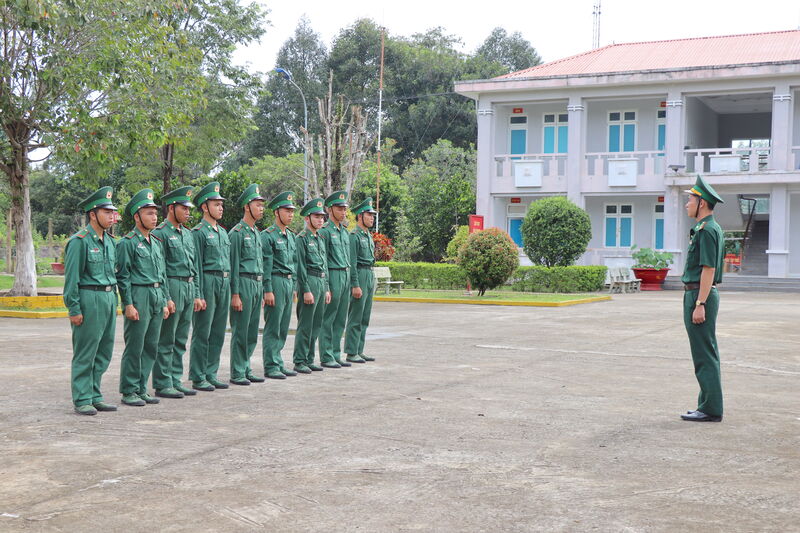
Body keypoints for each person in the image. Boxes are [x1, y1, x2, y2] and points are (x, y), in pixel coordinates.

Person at [63, 187, 119, 415]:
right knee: (86, 351)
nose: (111, 216)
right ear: (93, 214)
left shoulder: (111, 241)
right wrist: (74, 308)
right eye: (106, 212)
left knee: (104, 351)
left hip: (108, 297)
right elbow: (72, 279)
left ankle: (95, 394)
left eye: (112, 212)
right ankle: (82, 397)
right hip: (89, 297)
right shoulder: (79, 241)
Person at [116, 188, 170, 407]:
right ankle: (129, 390)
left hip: (157, 295)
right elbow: (123, 276)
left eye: (155, 213)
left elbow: (162, 273)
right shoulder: (127, 243)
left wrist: (166, 299)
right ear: (137, 216)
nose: (154, 217)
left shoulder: (156, 242)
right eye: (149, 213)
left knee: (151, 345)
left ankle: (141, 388)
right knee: (135, 345)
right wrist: (128, 303)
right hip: (139, 295)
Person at [680, 175, 726, 423]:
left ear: (702, 204)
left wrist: (700, 304)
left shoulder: (707, 230)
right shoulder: (709, 228)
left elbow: (708, 269)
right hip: (699, 293)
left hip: (700, 294)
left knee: (704, 354)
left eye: (691, 199)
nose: (687, 203)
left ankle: (710, 408)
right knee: (705, 352)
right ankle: (707, 404)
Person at [151, 186, 202, 399]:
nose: (188, 212)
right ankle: (163, 383)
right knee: (167, 337)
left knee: (181, 337)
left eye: (189, 208)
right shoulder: (161, 233)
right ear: (171, 208)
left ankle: (175, 379)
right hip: (172, 285)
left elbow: (195, 265)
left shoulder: (188, 234)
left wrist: (197, 293)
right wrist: (166, 297)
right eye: (184, 208)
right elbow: (158, 268)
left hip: (189, 287)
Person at [188, 182, 232, 392]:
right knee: (202, 331)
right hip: (208, 280)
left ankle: (211, 372)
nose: (221, 208)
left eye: (221, 204)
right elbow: (195, 264)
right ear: (205, 207)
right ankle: (198, 375)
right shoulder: (198, 232)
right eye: (216, 204)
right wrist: (198, 293)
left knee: (218, 331)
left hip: (224, 282)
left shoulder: (223, 233)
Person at [228, 184, 267, 385]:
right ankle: (237, 371)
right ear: (246, 207)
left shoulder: (256, 233)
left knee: (252, 331)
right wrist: (235, 294)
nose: (261, 208)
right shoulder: (237, 233)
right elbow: (233, 265)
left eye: (262, 205)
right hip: (243, 284)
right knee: (241, 330)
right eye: (257, 205)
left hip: (256, 285)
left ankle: (246, 366)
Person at [261, 191, 299, 380]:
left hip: (288, 282)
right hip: (275, 281)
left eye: (292, 211)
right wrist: (267, 290)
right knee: (273, 326)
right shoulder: (267, 236)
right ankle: (271, 365)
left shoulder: (291, 237)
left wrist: (294, 286)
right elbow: (266, 266)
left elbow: (295, 262)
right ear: (276, 212)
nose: (291, 214)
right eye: (287, 211)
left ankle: (278, 361)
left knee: (283, 326)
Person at [292, 198, 331, 374]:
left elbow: (325, 264)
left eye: (322, 217)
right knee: (306, 324)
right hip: (310, 281)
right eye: (317, 216)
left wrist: (327, 287)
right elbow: (300, 266)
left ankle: (309, 358)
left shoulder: (320, 237)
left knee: (316, 324)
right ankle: (300, 360)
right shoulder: (301, 238)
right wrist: (305, 290)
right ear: (307, 218)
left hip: (321, 282)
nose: (321, 220)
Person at [317, 190, 352, 368]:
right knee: (328, 318)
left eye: (344, 209)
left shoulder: (344, 232)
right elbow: (324, 259)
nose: (343, 212)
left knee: (340, 318)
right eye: (339, 209)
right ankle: (326, 354)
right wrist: (327, 285)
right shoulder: (325, 231)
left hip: (345, 274)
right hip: (333, 274)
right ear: (330, 210)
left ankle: (336, 354)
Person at [344, 197, 377, 364]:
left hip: (370, 274)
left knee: (365, 316)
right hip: (361, 276)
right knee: (356, 315)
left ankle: (359, 349)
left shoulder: (367, 235)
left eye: (373, 215)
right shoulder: (354, 236)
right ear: (360, 216)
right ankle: (351, 351)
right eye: (369, 215)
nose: (372, 218)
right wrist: (355, 284)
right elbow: (353, 262)